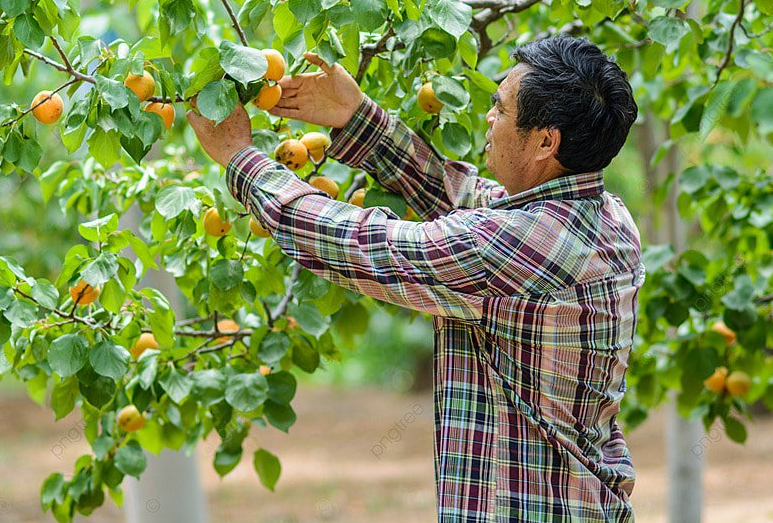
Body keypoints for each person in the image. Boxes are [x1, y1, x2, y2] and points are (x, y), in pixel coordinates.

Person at [187, 34, 643, 522]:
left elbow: (367, 248)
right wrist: (357, 117)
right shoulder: (602, 217)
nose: (489, 118)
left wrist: (241, 160)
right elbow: (461, 193)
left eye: (501, 108)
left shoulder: (520, 244)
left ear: (546, 142)